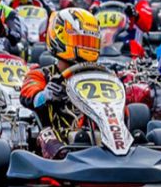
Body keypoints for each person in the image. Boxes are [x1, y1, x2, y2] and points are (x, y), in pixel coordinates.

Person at [20, 8, 103, 158]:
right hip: (56, 136)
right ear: (59, 38)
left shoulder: (99, 76)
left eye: (89, 42)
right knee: (47, 134)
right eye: (81, 41)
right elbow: (28, 95)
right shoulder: (41, 75)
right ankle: (62, 155)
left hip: (91, 132)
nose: (86, 47)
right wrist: (45, 95)